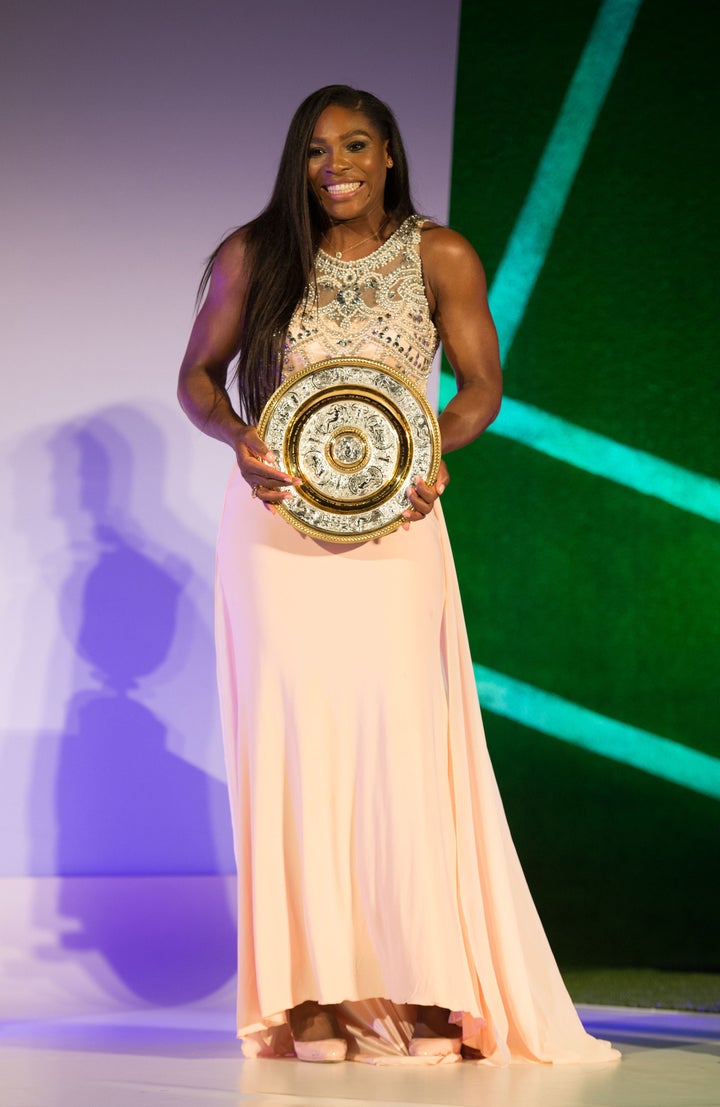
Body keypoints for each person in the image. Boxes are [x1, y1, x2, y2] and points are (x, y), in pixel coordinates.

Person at [178, 85, 619, 1067]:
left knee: (401, 751)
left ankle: (421, 987)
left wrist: (436, 447)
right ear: (297, 162)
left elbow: (480, 386)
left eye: (356, 145)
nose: (335, 162)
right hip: (275, 530)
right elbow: (195, 379)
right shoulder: (255, 254)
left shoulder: (439, 255)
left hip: (397, 521)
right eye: (315, 149)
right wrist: (241, 437)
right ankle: (313, 995)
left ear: (388, 157)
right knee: (298, 750)